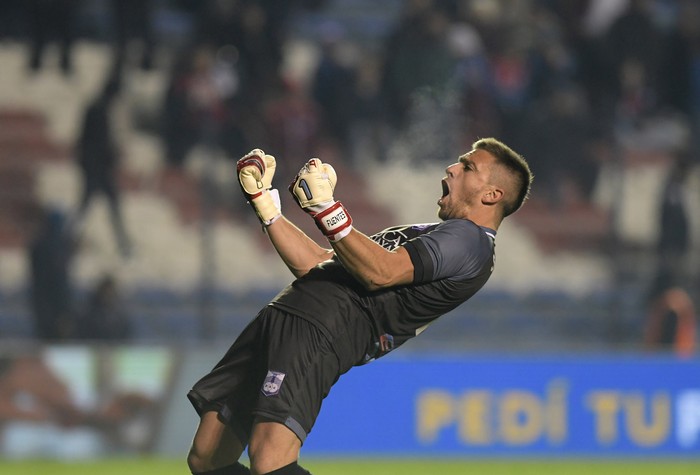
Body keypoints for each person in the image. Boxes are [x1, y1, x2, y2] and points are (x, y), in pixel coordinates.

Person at [186, 138, 533, 475]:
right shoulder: (434, 234)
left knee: (270, 458)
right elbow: (320, 265)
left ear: (492, 194)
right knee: (207, 459)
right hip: (288, 315)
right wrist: (265, 204)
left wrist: (326, 208)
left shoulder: (470, 240)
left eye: (468, 166)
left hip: (323, 326)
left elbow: (380, 272)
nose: (453, 167)